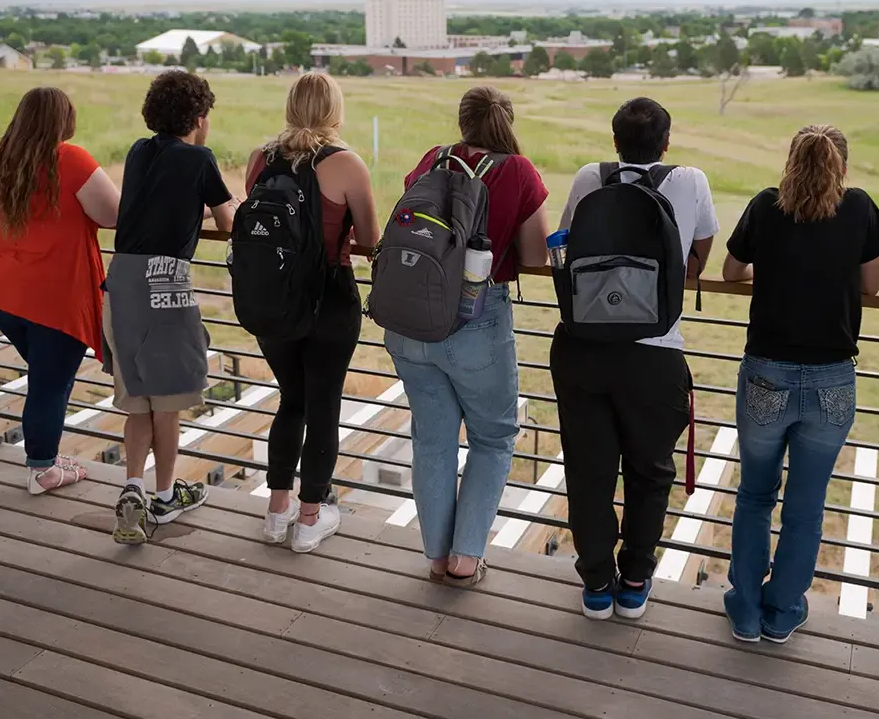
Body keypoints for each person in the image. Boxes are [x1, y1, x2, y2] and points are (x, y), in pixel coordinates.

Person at [720, 125, 879, 645]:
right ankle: (782, 610)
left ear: (791, 161)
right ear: (842, 166)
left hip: (767, 372)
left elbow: (731, 272)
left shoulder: (765, 205)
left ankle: (745, 609)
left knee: (755, 494)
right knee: (806, 502)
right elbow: (872, 284)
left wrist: (770, 273)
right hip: (832, 378)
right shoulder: (859, 207)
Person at [552, 97, 718, 620]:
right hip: (656, 353)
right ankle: (636, 580)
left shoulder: (588, 178)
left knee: (589, 471)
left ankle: (597, 584)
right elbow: (699, 251)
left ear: (615, 139)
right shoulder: (690, 181)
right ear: (666, 143)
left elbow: (566, 241)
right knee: (650, 472)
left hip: (582, 350)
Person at [384, 86, 548, 585]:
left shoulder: (434, 160)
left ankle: (436, 556)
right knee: (493, 438)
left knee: (432, 440)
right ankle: (465, 559)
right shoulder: (517, 171)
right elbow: (538, 255)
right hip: (477, 319)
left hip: (410, 318)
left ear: (462, 121)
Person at [246, 74, 379, 553]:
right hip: (328, 297)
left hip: (273, 300)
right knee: (324, 405)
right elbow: (368, 240)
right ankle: (310, 518)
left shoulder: (261, 159)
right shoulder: (345, 164)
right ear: (334, 111)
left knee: (292, 400)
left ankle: (275, 511)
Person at [106, 70, 237, 544]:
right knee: (170, 402)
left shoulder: (141, 152)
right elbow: (228, 220)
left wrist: (193, 209)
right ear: (199, 119)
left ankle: (133, 490)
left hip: (120, 279)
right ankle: (164, 497)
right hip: (165, 279)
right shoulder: (200, 158)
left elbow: (159, 205)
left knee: (138, 400)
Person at [0, 87, 120, 495]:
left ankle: (47, 454)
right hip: (56, 298)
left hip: (5, 292)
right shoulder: (70, 158)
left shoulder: (1, 159)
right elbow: (114, 214)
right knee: (49, 385)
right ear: (65, 119)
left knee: (46, 379)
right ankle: (42, 469)